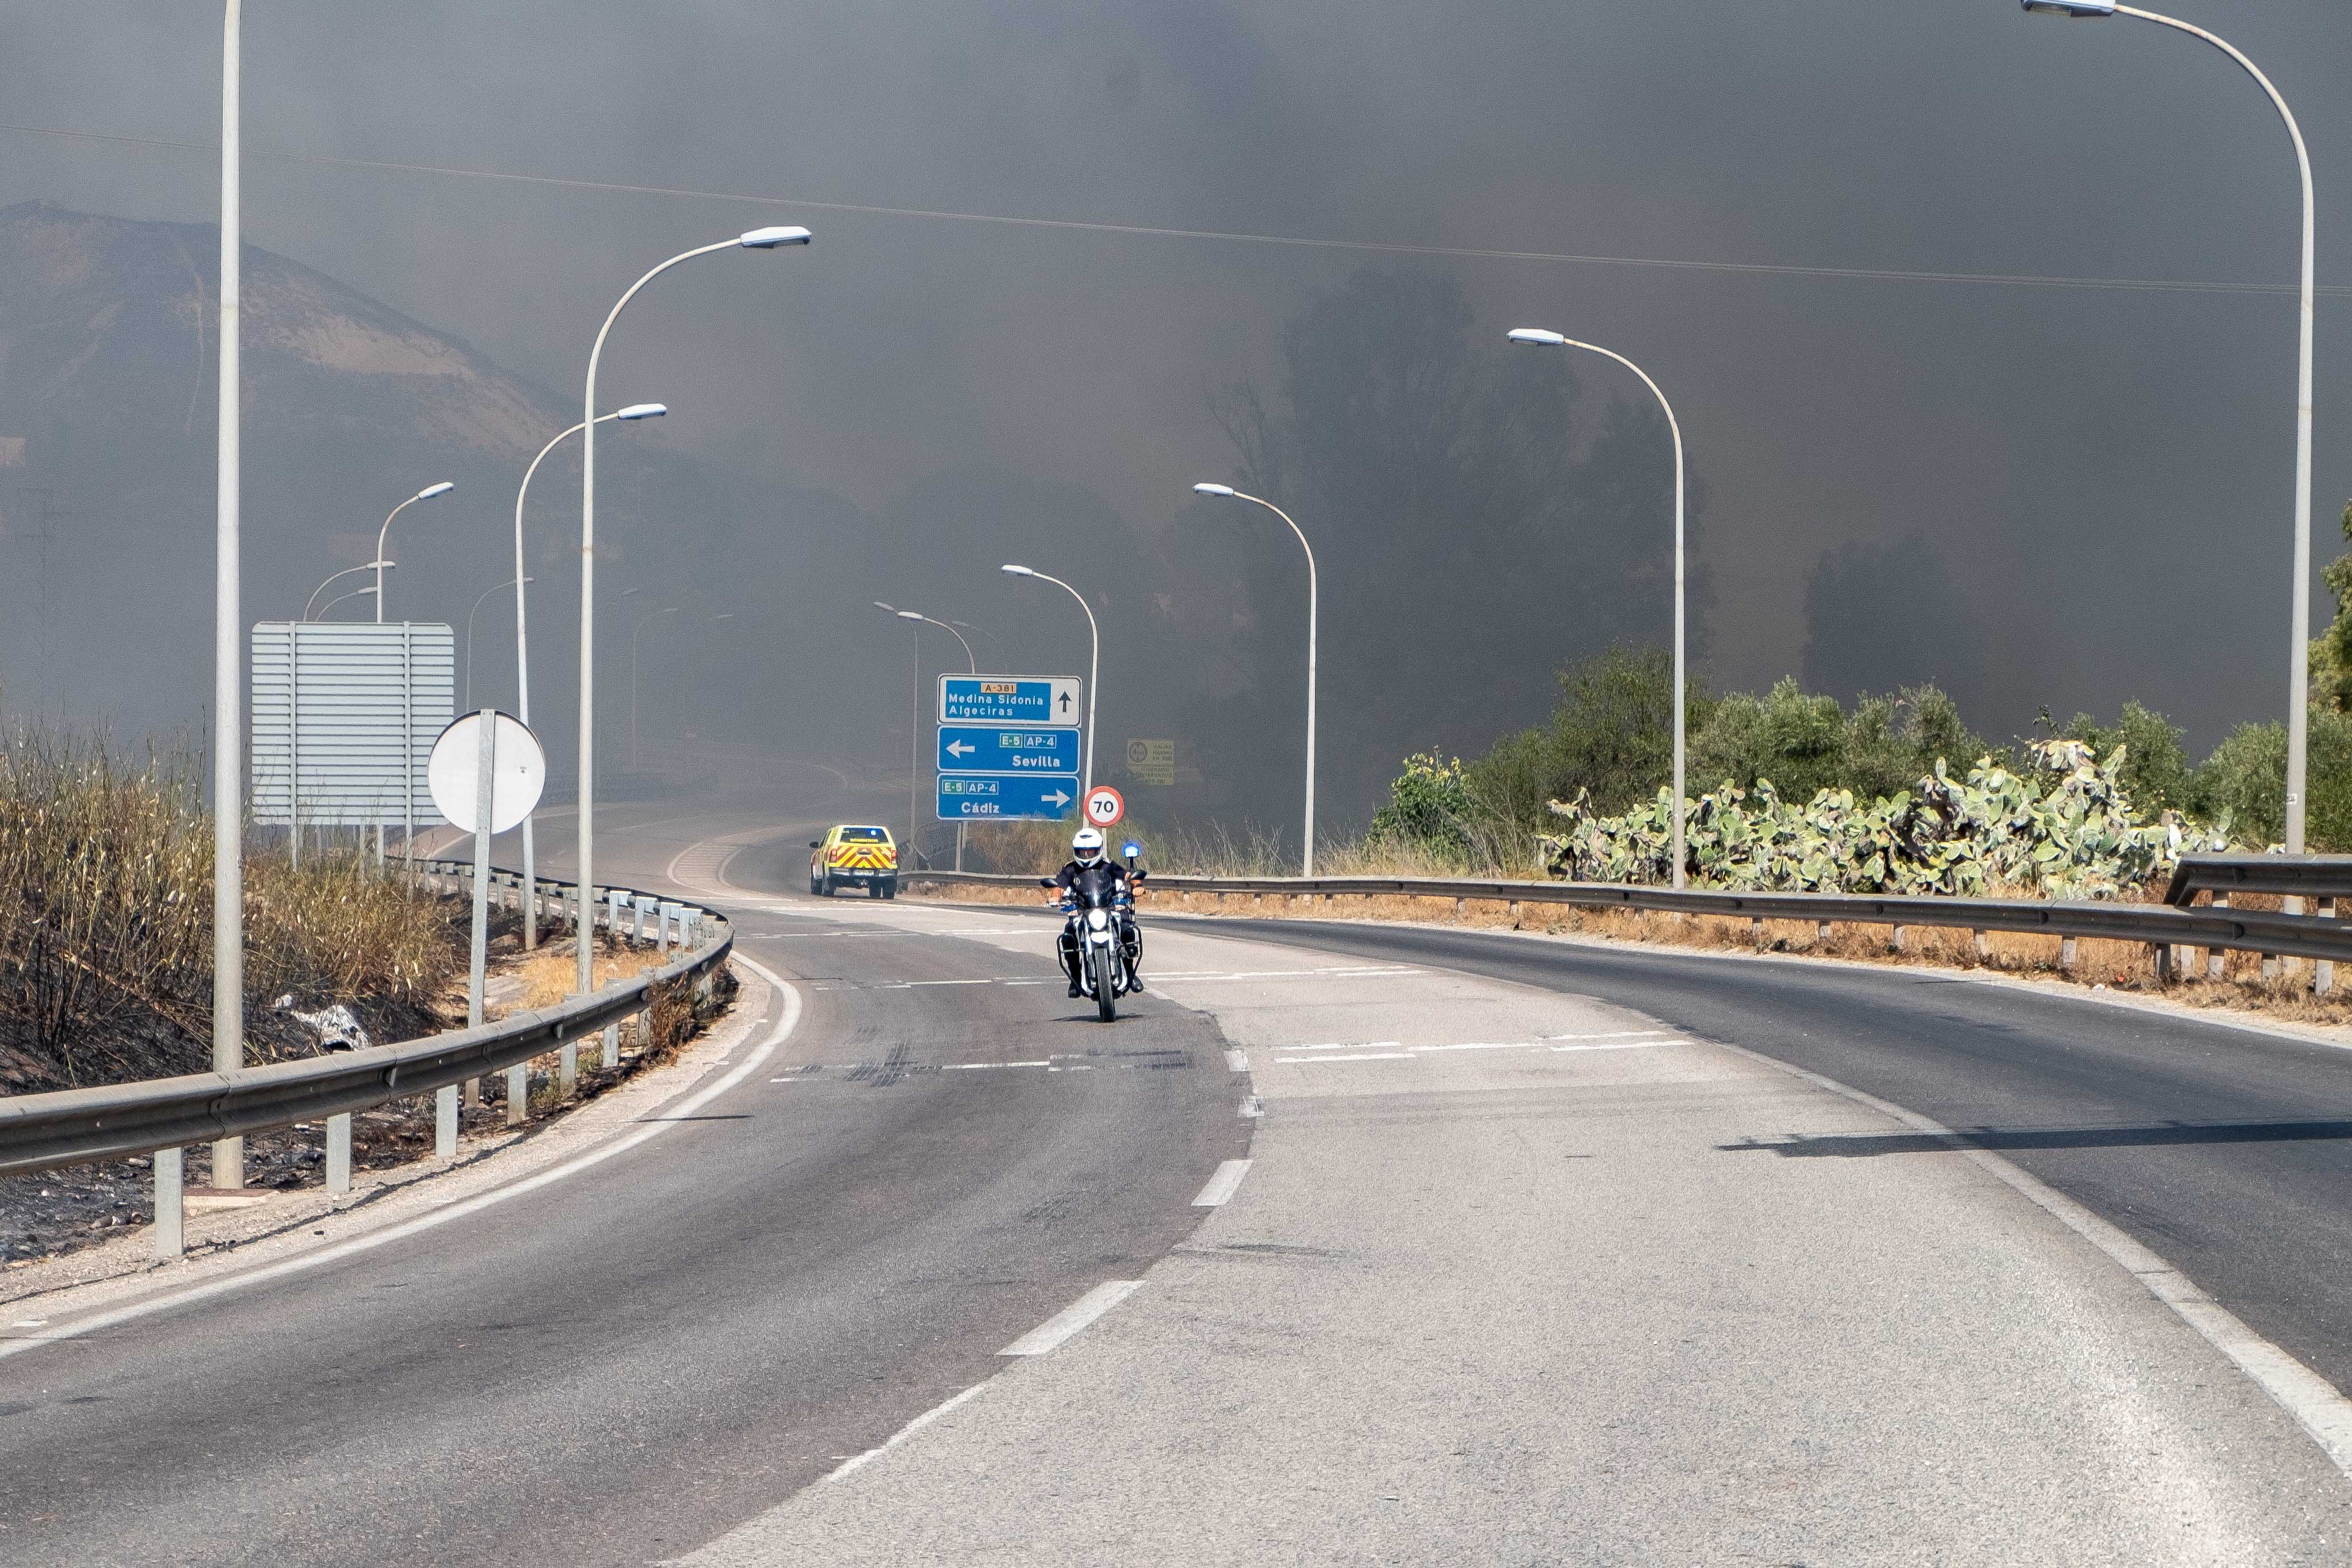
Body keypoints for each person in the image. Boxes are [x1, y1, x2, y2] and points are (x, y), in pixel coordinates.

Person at [1040, 827, 1144, 996]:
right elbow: (1059, 885)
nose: (1087, 855)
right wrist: (1055, 895)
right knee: (1068, 937)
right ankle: (1075, 978)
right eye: (1083, 852)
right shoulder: (1070, 869)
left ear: (1099, 850)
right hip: (1082, 911)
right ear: (1076, 852)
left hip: (1109, 908)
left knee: (1127, 928)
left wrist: (1136, 886)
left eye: (1091, 851)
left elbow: (1127, 876)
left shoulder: (1108, 865)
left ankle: (1130, 973)